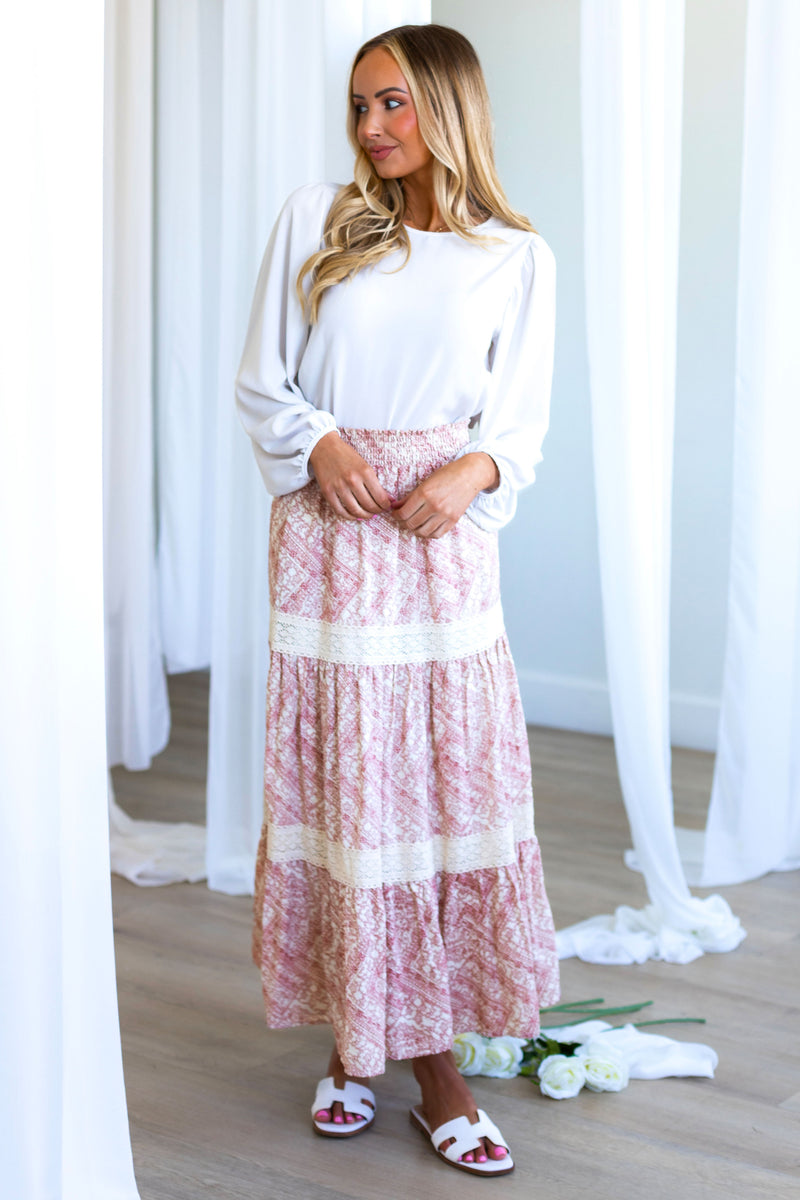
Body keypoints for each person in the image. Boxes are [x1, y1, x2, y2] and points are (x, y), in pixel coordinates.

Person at [235, 23, 560, 1179]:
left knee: (438, 790)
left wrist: (472, 472)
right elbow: (261, 378)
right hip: (329, 534)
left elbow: (516, 426)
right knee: (347, 790)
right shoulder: (314, 220)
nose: (370, 127)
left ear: (447, 107)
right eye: (359, 105)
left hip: (437, 543)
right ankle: (370, 1048)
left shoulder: (514, 257)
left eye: (393, 104)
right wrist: (318, 441)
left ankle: (426, 1068)